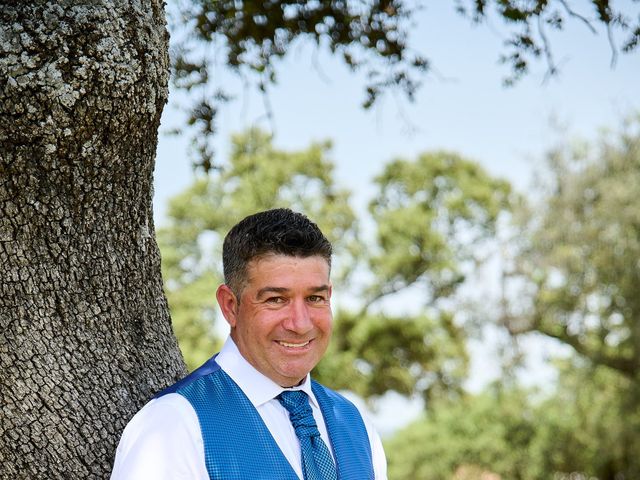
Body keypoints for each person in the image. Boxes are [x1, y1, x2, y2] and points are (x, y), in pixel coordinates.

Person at [111, 208, 387, 479]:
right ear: (230, 306)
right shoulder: (175, 425)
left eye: (315, 298)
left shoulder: (356, 424)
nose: (300, 324)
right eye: (276, 299)